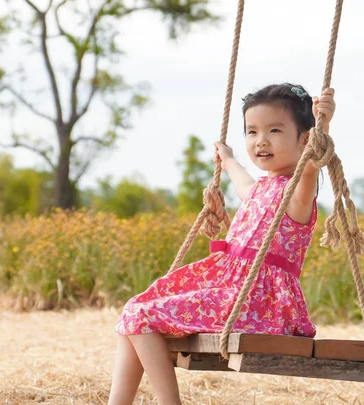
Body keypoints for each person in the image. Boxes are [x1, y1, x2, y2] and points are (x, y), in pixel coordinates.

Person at [107, 83, 336, 405]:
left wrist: (322, 124)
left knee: (140, 317)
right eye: (252, 132)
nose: (261, 141)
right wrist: (227, 160)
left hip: (259, 302)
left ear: (303, 138)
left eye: (274, 130)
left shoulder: (298, 194)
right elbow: (244, 183)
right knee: (133, 311)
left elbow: (311, 165)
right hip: (231, 289)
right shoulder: (262, 189)